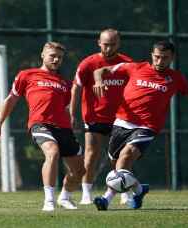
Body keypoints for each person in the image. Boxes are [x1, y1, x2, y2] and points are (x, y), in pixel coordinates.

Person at [92, 40, 188, 210]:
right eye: (157, 57)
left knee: (126, 156)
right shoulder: (135, 67)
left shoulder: (175, 77)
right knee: (117, 166)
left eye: (164, 58)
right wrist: (98, 81)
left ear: (172, 57)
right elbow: (101, 70)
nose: (160, 61)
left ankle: (106, 199)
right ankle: (139, 189)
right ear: (152, 55)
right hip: (121, 122)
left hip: (147, 126)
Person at [0, 42, 85, 212]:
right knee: (52, 152)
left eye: (60, 57)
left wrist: (72, 117)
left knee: (79, 171)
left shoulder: (65, 83)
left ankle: (64, 197)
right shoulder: (27, 75)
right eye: (52, 56)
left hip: (63, 129)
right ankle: (49, 200)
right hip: (40, 124)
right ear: (43, 55)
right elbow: (10, 100)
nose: (56, 59)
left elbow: (65, 107)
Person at [70, 28, 133, 205]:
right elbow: (76, 87)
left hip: (120, 119)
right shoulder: (88, 64)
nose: (108, 48)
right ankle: (86, 192)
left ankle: (123, 191)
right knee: (91, 154)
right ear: (99, 43)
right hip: (94, 117)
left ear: (119, 44)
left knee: (120, 156)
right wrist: (72, 114)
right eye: (105, 44)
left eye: (113, 44)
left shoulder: (127, 63)